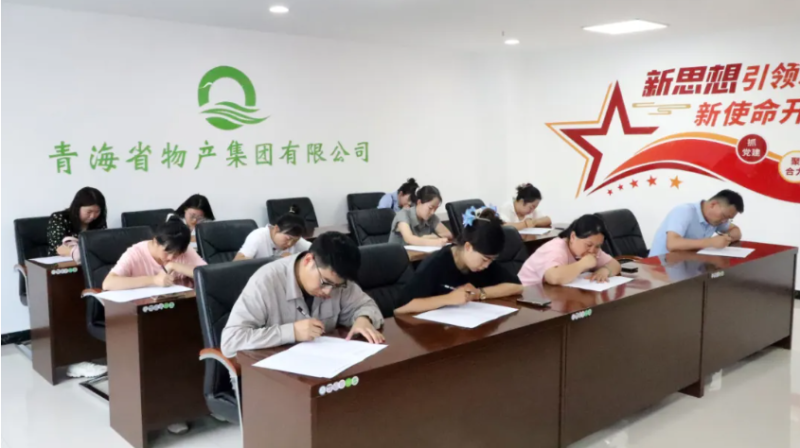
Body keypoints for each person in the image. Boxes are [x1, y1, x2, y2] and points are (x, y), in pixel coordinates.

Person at [221, 232, 384, 358]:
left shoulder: (337, 278)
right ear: (308, 260)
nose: (328, 292)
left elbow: (366, 305)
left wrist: (363, 319)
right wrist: (291, 332)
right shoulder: (265, 281)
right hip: (275, 375)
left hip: (324, 367)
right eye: (325, 282)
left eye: (336, 286)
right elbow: (231, 341)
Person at [394, 207, 522, 314]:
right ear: (468, 247)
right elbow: (401, 308)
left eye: (491, 260)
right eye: (485, 259)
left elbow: (517, 286)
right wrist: (448, 299)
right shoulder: (436, 264)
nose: (487, 265)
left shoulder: (483, 262)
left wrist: (479, 293)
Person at [103, 218, 207, 291]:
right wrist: (153, 279)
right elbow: (108, 283)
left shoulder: (183, 249)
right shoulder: (135, 253)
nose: (171, 257)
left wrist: (174, 266)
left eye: (176, 254)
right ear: (155, 242)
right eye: (167, 252)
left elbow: (209, 275)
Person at [518, 214, 621, 286]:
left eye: (598, 246)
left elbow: (615, 264)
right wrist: (582, 264)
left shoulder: (592, 249)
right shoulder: (556, 248)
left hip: (550, 294)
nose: (592, 250)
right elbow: (553, 277)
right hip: (525, 297)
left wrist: (605, 270)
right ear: (573, 237)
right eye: (588, 245)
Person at [649, 190, 744, 257]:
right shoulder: (684, 211)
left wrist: (726, 237)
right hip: (659, 269)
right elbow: (672, 244)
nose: (724, 221)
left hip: (686, 264)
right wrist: (711, 242)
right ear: (713, 204)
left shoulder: (718, 219)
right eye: (724, 216)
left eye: (729, 218)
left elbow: (736, 231)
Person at [47, 187, 107, 257]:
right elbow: (59, 248)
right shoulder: (59, 218)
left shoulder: (99, 221)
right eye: (89, 212)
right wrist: (83, 255)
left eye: (97, 212)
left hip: (92, 261)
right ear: (77, 208)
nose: (93, 216)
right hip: (62, 261)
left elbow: (103, 244)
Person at [234, 207, 311, 260]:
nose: (290, 244)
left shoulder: (294, 239)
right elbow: (237, 261)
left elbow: (315, 250)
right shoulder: (258, 236)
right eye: (287, 239)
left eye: (295, 241)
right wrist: (276, 260)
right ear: (276, 229)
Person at [387, 185, 452, 246]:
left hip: (419, 253)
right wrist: (435, 242)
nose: (432, 212)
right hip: (398, 253)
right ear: (419, 202)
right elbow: (409, 239)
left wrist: (432, 237)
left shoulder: (431, 217)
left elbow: (448, 234)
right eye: (430, 208)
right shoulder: (403, 214)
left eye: (435, 209)